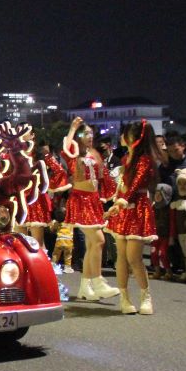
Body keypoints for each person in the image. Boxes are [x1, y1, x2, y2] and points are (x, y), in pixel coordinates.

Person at [105, 120, 162, 314]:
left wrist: (121, 201)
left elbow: (136, 185)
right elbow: (123, 187)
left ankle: (146, 297)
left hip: (137, 208)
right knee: (121, 255)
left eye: (125, 134)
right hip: (123, 209)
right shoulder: (125, 159)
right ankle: (124, 298)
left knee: (134, 257)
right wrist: (117, 202)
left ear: (134, 138)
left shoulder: (144, 159)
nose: (121, 137)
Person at [62, 117, 119, 301]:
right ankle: (98, 281)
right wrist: (73, 128)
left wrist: (108, 195)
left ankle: (85, 287)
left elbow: (103, 177)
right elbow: (67, 147)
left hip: (93, 200)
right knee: (99, 240)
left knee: (92, 244)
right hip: (81, 200)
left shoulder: (94, 153)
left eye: (91, 134)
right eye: (85, 133)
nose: (89, 137)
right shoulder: (75, 153)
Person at [151, 184, 173, 279]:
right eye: (156, 193)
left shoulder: (169, 209)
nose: (157, 196)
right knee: (153, 252)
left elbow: (172, 223)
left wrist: (171, 236)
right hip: (156, 235)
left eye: (160, 194)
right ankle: (157, 271)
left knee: (162, 253)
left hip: (165, 235)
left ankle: (168, 271)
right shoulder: (154, 207)